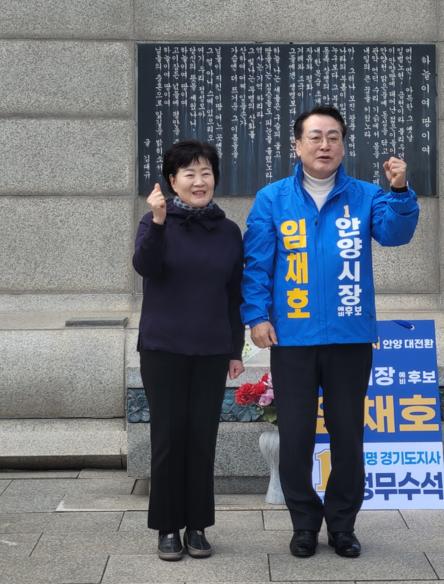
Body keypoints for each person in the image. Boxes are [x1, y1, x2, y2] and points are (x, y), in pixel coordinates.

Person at [241, 105, 419, 558]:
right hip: (292, 338)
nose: (325, 145)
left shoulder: (367, 195)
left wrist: (399, 191)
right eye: (315, 137)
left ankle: (342, 525)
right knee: (296, 436)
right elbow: (257, 263)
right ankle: (304, 524)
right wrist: (256, 316)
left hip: (349, 336)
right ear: (297, 145)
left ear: (343, 145)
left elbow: (395, 234)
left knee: (348, 436)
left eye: (333, 137)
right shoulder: (273, 199)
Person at [133, 139, 245, 561]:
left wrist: (235, 350)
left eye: (206, 173)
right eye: (189, 174)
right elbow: (146, 266)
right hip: (163, 348)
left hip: (212, 349)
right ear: (172, 181)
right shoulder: (154, 222)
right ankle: (167, 527)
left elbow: (234, 295)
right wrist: (160, 221)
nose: (199, 181)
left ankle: (197, 526)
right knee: (168, 437)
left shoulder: (228, 231)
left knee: (202, 439)